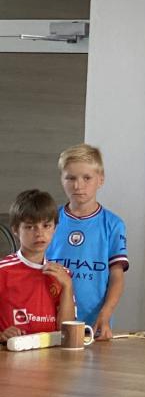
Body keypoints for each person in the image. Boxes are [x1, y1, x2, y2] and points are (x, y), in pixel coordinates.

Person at [46, 143, 128, 339]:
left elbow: (116, 276)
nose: (78, 185)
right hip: (49, 321)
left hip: (93, 324)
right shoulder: (48, 220)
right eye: (71, 178)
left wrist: (105, 314)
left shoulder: (113, 224)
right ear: (61, 179)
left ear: (101, 180)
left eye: (87, 178)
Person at [0, 190, 74, 343]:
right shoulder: (3, 271)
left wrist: (67, 286)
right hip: (10, 354)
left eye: (46, 225)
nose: (39, 233)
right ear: (15, 230)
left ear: (55, 228)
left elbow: (66, 332)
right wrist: (1, 335)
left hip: (52, 355)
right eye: (30, 227)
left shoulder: (63, 275)